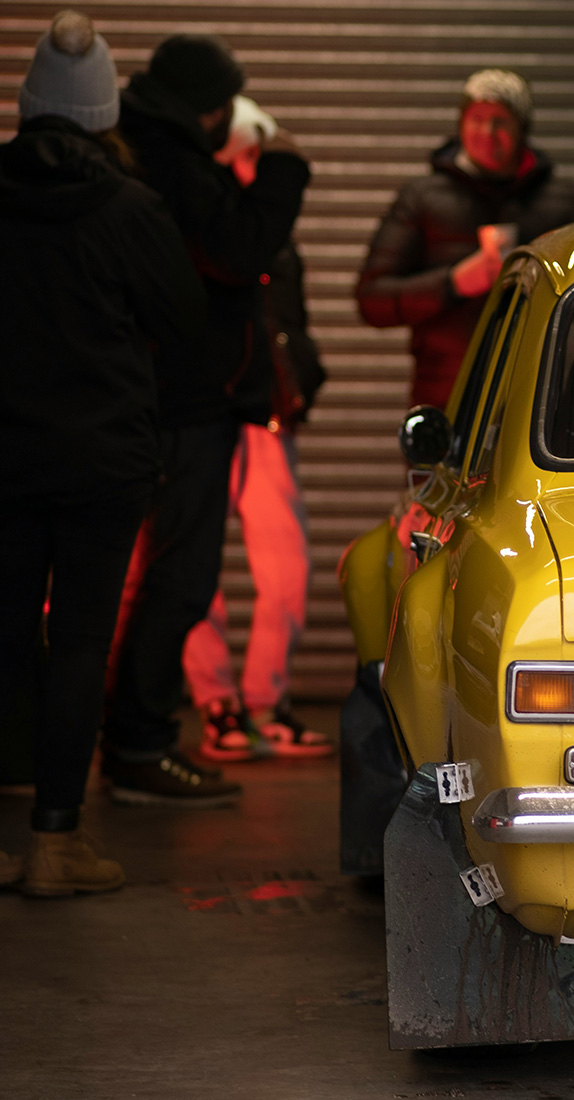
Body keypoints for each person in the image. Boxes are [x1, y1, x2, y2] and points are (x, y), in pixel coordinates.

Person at [0, 11, 206, 892]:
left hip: (1, 462)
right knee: (81, 640)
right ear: (101, 111)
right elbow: (185, 330)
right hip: (101, 463)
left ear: (30, 103)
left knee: (4, 635)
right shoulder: (131, 209)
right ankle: (56, 842)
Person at [99, 33, 312, 804]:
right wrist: (284, 164)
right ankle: (140, 745)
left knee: (153, 578)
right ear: (214, 107)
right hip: (184, 406)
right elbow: (239, 245)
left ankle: (128, 738)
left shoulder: (140, 148)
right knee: (180, 579)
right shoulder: (175, 163)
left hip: (159, 401)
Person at [182, 96, 333, 761]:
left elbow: (288, 318)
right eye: (245, 155)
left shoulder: (270, 226)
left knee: (287, 565)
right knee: (195, 561)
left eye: (258, 156)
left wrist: (304, 370)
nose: (254, 169)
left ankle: (267, 702)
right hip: (209, 408)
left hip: (267, 411)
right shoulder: (202, 219)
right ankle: (216, 705)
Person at [355, 69, 574, 409]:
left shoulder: (564, 202)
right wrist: (452, 283)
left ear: (522, 128)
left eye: (500, 121)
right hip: (446, 397)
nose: (487, 132)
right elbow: (372, 300)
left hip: (540, 397)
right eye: (476, 118)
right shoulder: (423, 198)